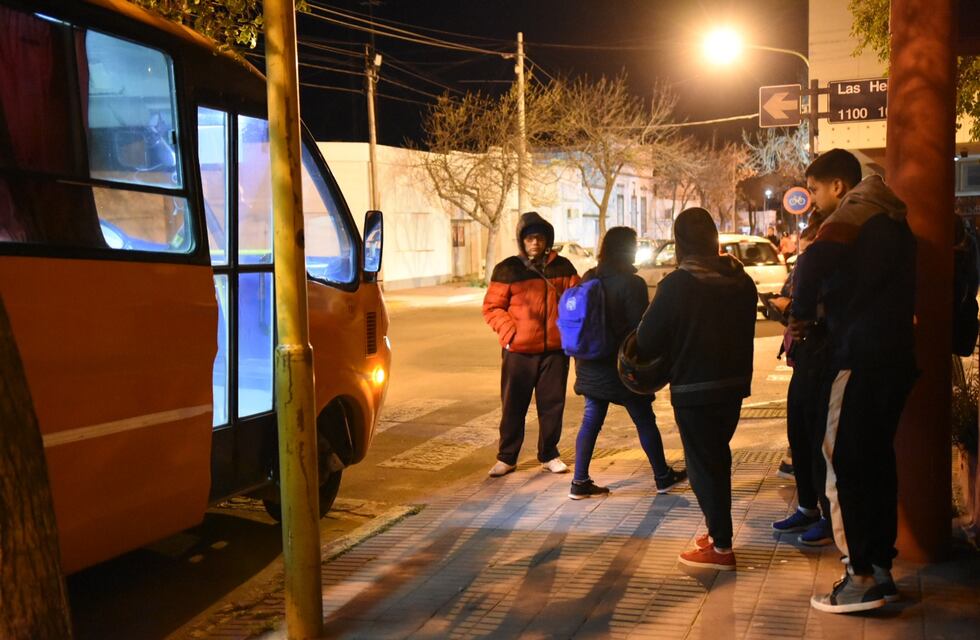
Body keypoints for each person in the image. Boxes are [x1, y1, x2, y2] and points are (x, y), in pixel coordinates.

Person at [789, 149, 917, 614]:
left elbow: (812, 265)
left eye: (817, 189)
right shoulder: (892, 219)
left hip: (857, 356)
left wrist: (801, 316)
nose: (815, 200)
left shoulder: (853, 214)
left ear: (838, 186)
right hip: (896, 355)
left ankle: (859, 574)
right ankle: (880, 568)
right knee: (876, 461)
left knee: (839, 463)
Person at [635, 208, 757, 571]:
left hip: (694, 388)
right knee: (717, 458)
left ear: (681, 241)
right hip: (734, 385)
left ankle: (720, 547)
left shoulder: (678, 284)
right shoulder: (741, 280)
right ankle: (716, 532)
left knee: (704, 465)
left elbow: (646, 338)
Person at [567, 227, 687, 500]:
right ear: (627, 249)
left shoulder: (589, 277)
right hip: (620, 367)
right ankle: (662, 476)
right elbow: (640, 328)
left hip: (589, 362)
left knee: (590, 420)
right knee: (644, 419)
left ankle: (579, 482)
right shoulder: (632, 283)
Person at [482, 212, 580, 478]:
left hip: (555, 352)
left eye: (539, 237)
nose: (534, 242)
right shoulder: (509, 269)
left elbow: (577, 299)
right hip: (519, 352)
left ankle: (549, 454)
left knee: (552, 405)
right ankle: (507, 457)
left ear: (547, 239)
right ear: (522, 241)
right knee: (514, 405)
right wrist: (510, 332)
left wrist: (569, 330)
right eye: (529, 238)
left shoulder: (564, 267)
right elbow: (492, 307)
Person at [769, 208, 835, 548]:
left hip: (824, 360)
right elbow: (790, 304)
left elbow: (825, 309)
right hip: (802, 359)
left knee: (818, 441)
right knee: (799, 436)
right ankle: (808, 507)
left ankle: (827, 517)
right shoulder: (803, 268)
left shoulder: (836, 266)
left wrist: (804, 315)